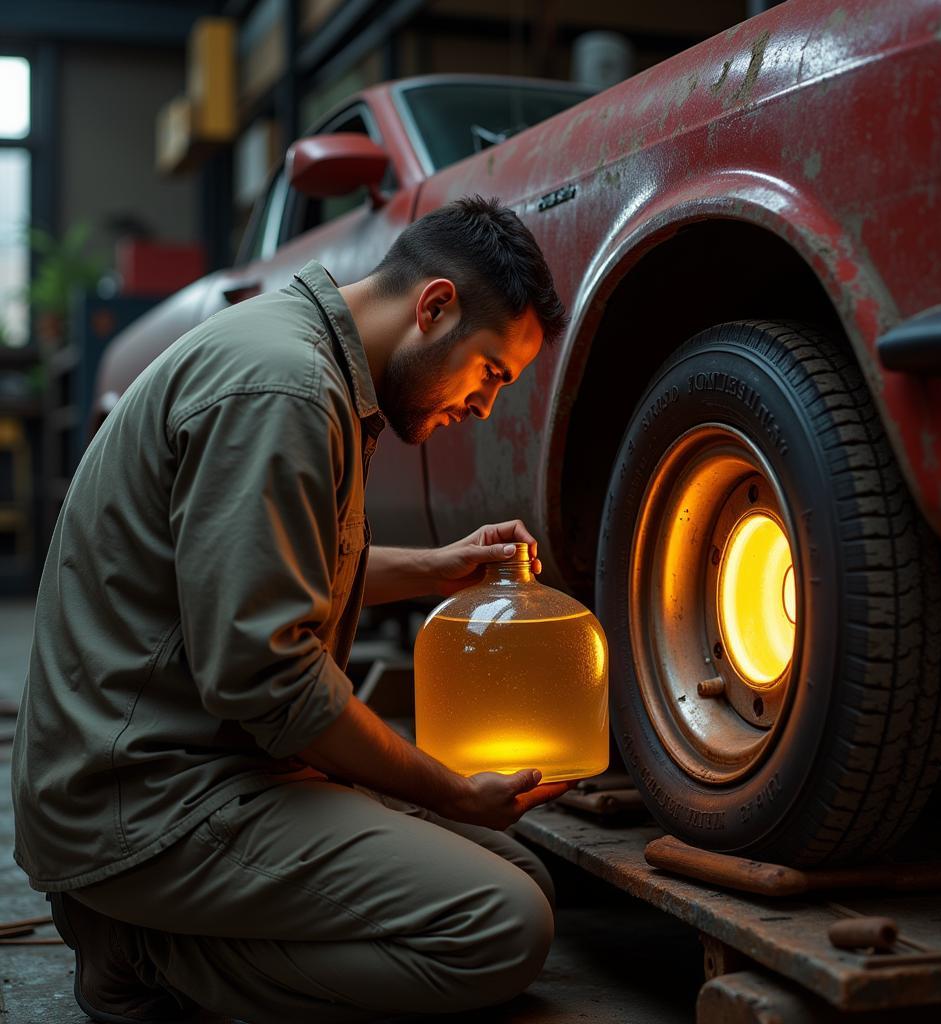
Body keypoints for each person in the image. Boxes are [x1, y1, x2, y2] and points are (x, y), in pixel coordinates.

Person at [11, 195, 577, 1023]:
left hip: (197, 770)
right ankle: (137, 948)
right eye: (490, 372)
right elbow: (267, 681)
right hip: (144, 799)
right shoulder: (286, 387)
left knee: (522, 874)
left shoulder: (304, 358)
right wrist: (449, 791)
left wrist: (444, 567)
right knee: (500, 924)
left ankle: (159, 928)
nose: (484, 406)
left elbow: (268, 568)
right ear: (435, 306)